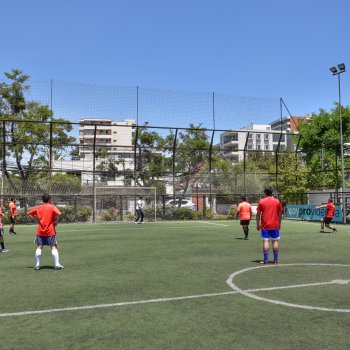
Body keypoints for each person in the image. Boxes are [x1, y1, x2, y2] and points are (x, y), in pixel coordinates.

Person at [27, 194, 64, 270]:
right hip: (50, 231)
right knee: (53, 246)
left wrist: (36, 220)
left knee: (39, 246)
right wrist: (56, 221)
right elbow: (59, 213)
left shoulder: (39, 207)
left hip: (40, 231)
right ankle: (57, 264)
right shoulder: (52, 206)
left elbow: (29, 213)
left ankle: (37, 265)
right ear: (49, 199)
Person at [256, 187, 283, 264]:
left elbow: (258, 214)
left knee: (265, 241)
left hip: (265, 225)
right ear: (272, 193)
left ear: (265, 193)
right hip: (275, 225)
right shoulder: (277, 201)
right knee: (275, 241)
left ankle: (266, 260)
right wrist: (279, 224)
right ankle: (275, 260)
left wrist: (257, 224)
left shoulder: (261, 201)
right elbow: (280, 213)